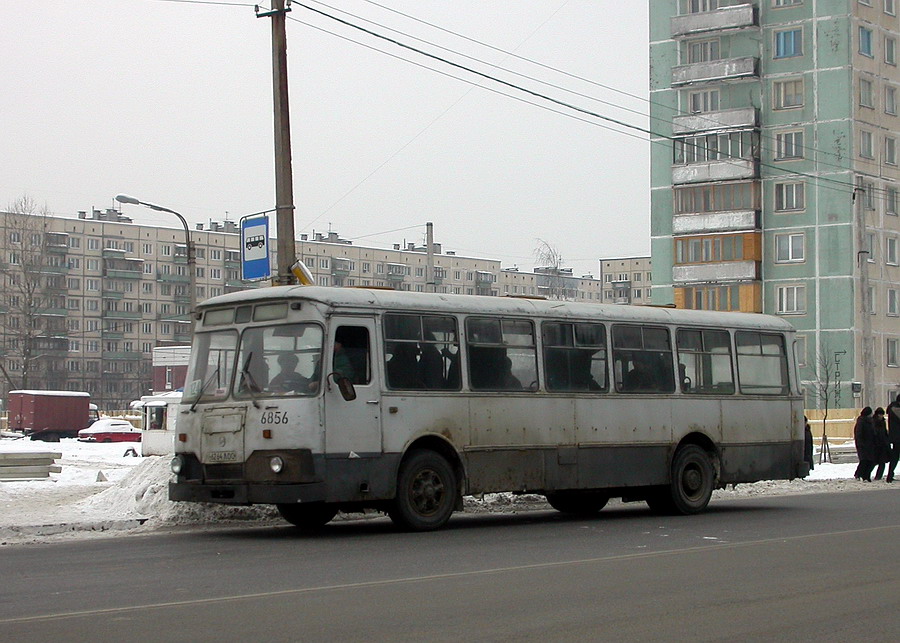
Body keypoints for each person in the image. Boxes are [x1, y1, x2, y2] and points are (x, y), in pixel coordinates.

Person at [853, 406, 876, 482]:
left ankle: (866, 475)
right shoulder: (861, 422)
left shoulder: (870, 422)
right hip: (863, 445)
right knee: (864, 461)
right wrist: (860, 443)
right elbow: (858, 434)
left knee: (871, 461)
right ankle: (859, 474)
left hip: (870, 444)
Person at [872, 407, 891, 481]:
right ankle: (867, 474)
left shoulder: (882, 421)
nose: (881, 416)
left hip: (883, 444)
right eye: (880, 415)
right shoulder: (874, 421)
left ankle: (878, 476)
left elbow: (884, 432)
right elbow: (876, 433)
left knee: (882, 462)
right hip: (877, 444)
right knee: (874, 461)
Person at [886, 394, 900, 483]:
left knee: (895, 457)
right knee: (895, 457)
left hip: (896, 437)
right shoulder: (896, 409)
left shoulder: (893, 409)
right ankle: (890, 476)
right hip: (898, 437)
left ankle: (890, 475)